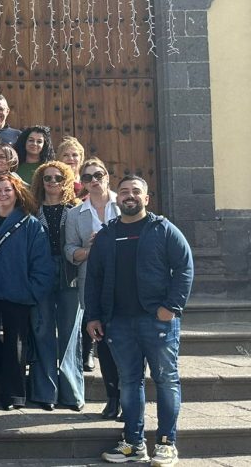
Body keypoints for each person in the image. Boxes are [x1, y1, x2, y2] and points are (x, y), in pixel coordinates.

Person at [85, 175, 193, 467]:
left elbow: (184, 268)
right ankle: (133, 444)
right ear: (116, 198)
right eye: (124, 192)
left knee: (166, 380)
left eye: (136, 191)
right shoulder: (107, 235)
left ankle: (167, 443)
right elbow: (93, 278)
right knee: (129, 383)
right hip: (118, 322)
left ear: (146, 199)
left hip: (157, 321)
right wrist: (93, 314)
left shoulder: (163, 230)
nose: (129, 195)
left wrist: (171, 307)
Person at [0, 173, 55, 411]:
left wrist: (30, 291)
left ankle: (13, 395)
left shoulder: (30, 224)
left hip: (18, 291)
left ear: (17, 193)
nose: (3, 194)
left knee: (16, 343)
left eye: (7, 190)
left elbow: (42, 264)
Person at [64, 159, 122, 419]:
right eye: (86, 178)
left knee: (128, 346)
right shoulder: (75, 214)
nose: (93, 180)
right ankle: (113, 398)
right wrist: (90, 251)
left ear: (107, 176)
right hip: (94, 285)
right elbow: (68, 250)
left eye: (98, 175)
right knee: (106, 346)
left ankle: (130, 395)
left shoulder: (124, 205)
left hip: (127, 285)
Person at [28, 161, 85, 412]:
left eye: (58, 178)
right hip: (40, 273)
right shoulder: (30, 211)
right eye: (47, 178)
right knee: (42, 330)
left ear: (67, 181)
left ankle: (72, 393)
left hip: (70, 272)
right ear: (41, 182)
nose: (52, 182)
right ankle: (45, 392)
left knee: (70, 332)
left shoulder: (77, 210)